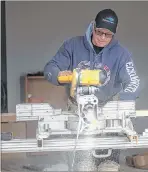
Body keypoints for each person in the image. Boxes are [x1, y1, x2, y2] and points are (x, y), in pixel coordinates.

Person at [44, 8, 140, 171]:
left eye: (107, 35)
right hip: (78, 111)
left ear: (113, 34)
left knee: (108, 167)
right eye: (99, 32)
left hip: (109, 112)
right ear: (93, 27)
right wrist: (59, 75)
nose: (102, 37)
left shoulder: (121, 54)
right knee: (83, 166)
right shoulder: (72, 45)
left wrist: (119, 105)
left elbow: (134, 83)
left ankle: (108, 164)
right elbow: (50, 68)